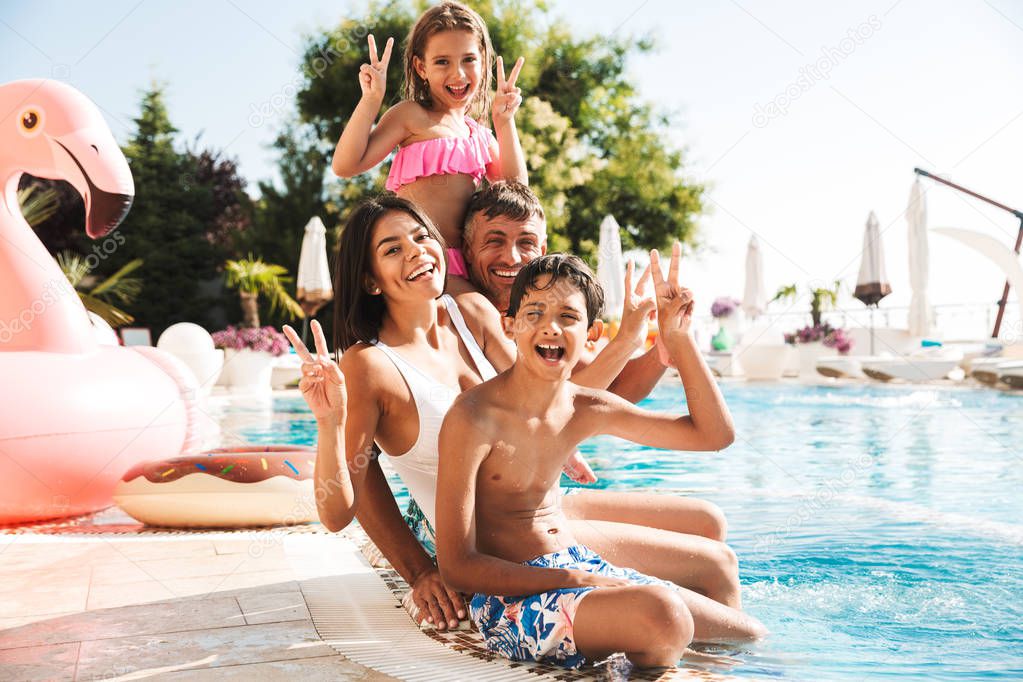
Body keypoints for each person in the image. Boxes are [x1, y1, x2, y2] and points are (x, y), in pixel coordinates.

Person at [435, 251, 767, 669]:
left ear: (592, 333)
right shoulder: (474, 417)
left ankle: (714, 675)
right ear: (510, 325)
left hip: (577, 564)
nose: (549, 327)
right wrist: (570, 580)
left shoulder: (586, 407)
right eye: (534, 312)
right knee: (664, 615)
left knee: (748, 634)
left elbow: (714, 435)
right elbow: (457, 566)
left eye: (568, 317)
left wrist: (678, 341)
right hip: (511, 602)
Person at [331, 1, 527, 279]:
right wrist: (371, 100)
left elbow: (517, 191)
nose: (458, 74)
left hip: (464, 268)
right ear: (421, 67)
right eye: (442, 61)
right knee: (481, 317)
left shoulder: (479, 134)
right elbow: (345, 165)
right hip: (419, 263)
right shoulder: (411, 116)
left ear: (483, 62)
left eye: (468, 59)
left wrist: (505, 122)